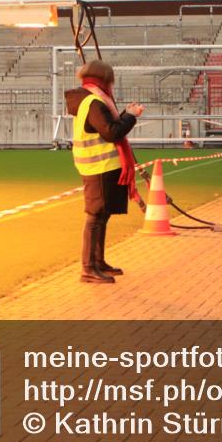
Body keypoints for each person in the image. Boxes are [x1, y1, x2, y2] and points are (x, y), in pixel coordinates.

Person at [65, 60, 144, 284]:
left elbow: (106, 128)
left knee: (101, 216)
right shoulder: (94, 102)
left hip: (99, 167)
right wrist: (130, 115)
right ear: (104, 79)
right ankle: (88, 267)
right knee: (96, 217)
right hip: (99, 168)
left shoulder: (89, 100)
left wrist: (125, 114)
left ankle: (97, 262)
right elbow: (111, 132)